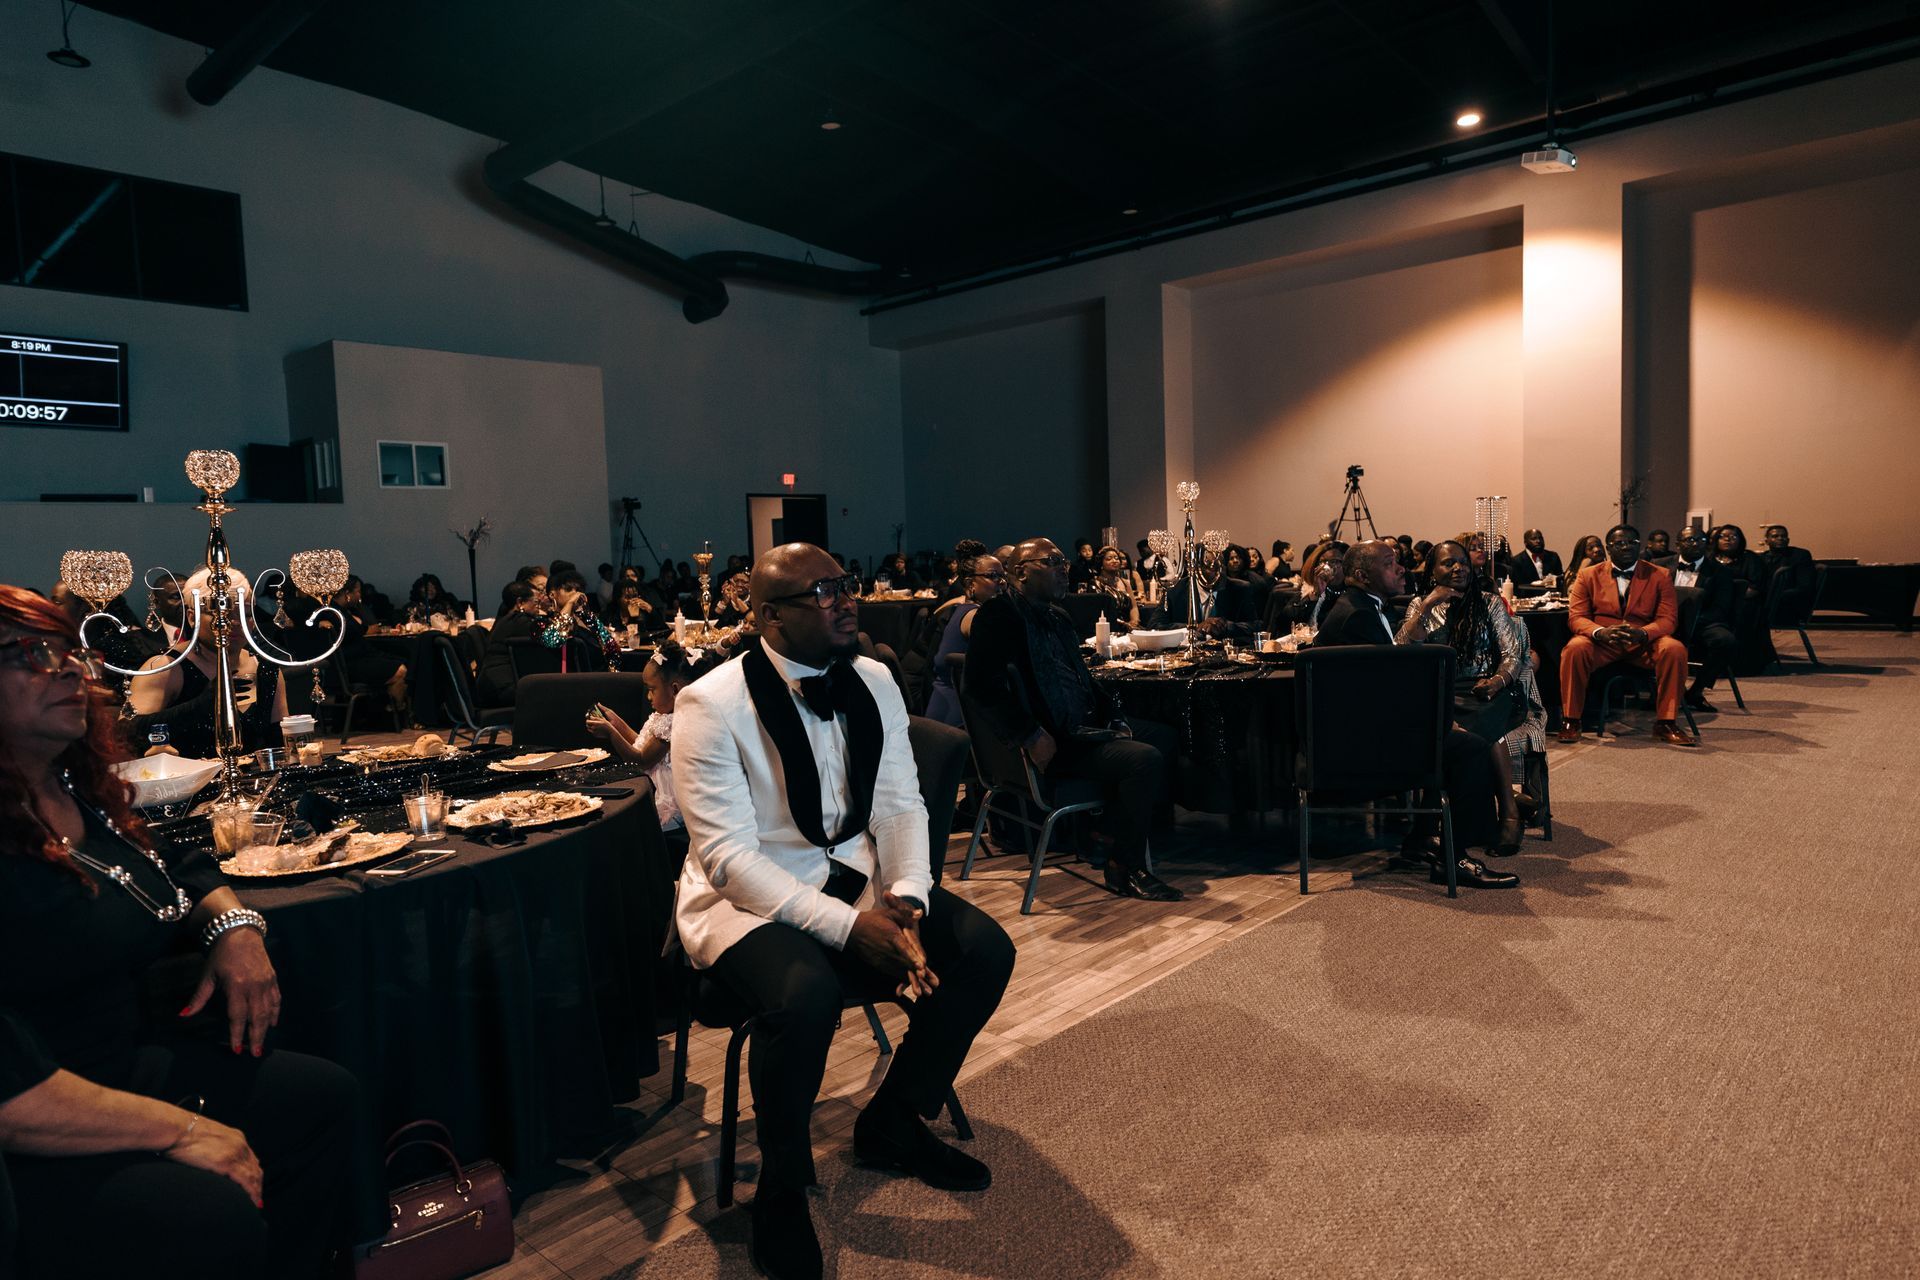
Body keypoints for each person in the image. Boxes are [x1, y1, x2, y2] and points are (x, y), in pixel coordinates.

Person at [671, 545, 1015, 1280]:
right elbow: (731, 861)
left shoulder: (875, 679)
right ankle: (782, 1188)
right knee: (807, 995)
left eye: (845, 587)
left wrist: (911, 896)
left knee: (986, 950)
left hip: (855, 877)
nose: (846, 602)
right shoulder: (709, 704)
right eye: (822, 593)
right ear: (768, 615)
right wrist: (848, 928)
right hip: (746, 902)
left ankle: (893, 1122)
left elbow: (897, 802)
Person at [0, 585, 357, 1279]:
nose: (72, 669)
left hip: (123, 1068)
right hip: (38, 1127)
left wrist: (235, 927)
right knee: (209, 1211)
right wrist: (189, 1131)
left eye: (71, 651)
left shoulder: (72, 791)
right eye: (33, 654)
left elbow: (176, 860)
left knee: (322, 1099)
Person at [965, 538, 1185, 903]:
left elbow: (1082, 679)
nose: (1063, 568)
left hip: (1078, 729)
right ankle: (1124, 866)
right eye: (1051, 561)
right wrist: (1030, 734)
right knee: (1142, 759)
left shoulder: (1058, 617)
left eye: (1064, 561)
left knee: (1163, 735)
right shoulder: (999, 615)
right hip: (1053, 742)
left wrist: (1113, 716)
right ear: (1020, 572)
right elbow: (978, 687)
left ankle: (1104, 833)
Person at [1313, 542, 1517, 889]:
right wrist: (1437, 721)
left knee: (1457, 739)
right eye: (1391, 564)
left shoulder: (1360, 606)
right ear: (1363, 576)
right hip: (1363, 748)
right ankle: (1456, 858)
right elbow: (1385, 693)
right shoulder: (1357, 616)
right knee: (1471, 749)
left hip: (1362, 732)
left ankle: (1425, 839)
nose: (1402, 568)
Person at [1397, 541, 1530, 855]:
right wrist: (1429, 605)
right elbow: (1402, 651)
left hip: (1489, 689)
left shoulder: (1490, 602)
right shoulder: (1420, 604)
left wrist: (1497, 681)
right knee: (1455, 741)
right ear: (1432, 571)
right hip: (1441, 690)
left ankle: (1432, 828)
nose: (1458, 568)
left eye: (1463, 563)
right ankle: (1502, 812)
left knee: (1470, 737)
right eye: (1448, 563)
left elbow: (1513, 654)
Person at [126, 568, 289, 759]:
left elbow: (280, 741)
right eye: (222, 613)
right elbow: (127, 733)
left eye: (245, 614)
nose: (235, 622)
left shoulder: (266, 668)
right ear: (192, 617)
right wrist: (200, 706)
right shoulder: (166, 667)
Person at [1558, 525, 1695, 747]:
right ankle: (1571, 720)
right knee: (1574, 648)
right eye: (1620, 543)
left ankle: (1666, 722)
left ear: (1640, 546)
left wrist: (1642, 633)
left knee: (1674, 648)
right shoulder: (1587, 575)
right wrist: (1600, 632)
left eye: (1632, 542)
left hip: (1644, 642)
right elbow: (1577, 617)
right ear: (1608, 547)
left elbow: (1668, 619)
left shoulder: (1660, 575)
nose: (1626, 547)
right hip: (1602, 642)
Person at [585, 640, 712, 864]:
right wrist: (618, 724)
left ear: (675, 690)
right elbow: (641, 744)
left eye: (652, 690)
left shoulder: (675, 723)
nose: (648, 697)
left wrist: (611, 734)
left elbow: (641, 760)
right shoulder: (664, 717)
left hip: (669, 799)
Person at [1659, 529, 1739, 711]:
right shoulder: (1659, 566)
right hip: (1663, 621)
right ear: (1677, 544)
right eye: (1690, 540)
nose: (1695, 544)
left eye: (1701, 540)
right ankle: (1657, 692)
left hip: (1701, 623)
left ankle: (1696, 690)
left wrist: (1690, 623)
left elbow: (1720, 608)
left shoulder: (1721, 572)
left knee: (1725, 641)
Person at [924, 545, 1004, 728]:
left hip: (942, 713)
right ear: (970, 584)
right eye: (993, 576)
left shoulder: (962, 609)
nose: (1002, 582)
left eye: (1003, 577)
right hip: (958, 723)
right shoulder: (976, 616)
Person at [1709, 524, 1775, 673]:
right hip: (1715, 603)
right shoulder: (1709, 559)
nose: (1728, 540)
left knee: (1743, 613)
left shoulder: (1749, 558)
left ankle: (1740, 666)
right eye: (1723, 536)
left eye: (1733, 537)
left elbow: (1755, 588)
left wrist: (1728, 600)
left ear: (1740, 540)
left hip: (1744, 603)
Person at [473, 580, 541, 706]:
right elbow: (554, 637)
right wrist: (568, 607)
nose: (539, 607)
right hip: (501, 689)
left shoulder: (507, 619)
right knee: (548, 691)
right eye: (536, 602)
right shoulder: (519, 621)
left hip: (491, 686)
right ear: (520, 602)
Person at [539, 571, 618, 668]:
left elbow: (612, 647)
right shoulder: (544, 621)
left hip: (600, 676)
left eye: (578, 589)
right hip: (570, 679)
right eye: (568, 589)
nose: (575, 593)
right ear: (552, 594)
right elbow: (553, 641)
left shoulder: (586, 618)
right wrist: (570, 603)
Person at [1277, 540, 1348, 629]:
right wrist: (1315, 595)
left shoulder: (1352, 593)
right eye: (1322, 562)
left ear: (1347, 565)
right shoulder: (1311, 590)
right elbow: (1283, 623)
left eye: (1334, 561)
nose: (1326, 567)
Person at [1760, 524, 1816, 628]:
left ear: (1788, 540)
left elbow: (1804, 586)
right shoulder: (1761, 558)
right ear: (1766, 541)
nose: (1780, 538)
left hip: (1788, 604)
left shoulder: (1799, 555)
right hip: (1767, 601)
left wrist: (1773, 596)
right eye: (1775, 536)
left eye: (1783, 536)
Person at [1090, 545, 1140, 628]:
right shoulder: (1096, 583)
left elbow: (1133, 607)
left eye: (1116, 558)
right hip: (1109, 627)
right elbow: (1100, 612)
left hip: (1130, 626)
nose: (1114, 561)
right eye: (1109, 559)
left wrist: (1134, 622)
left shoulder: (1125, 583)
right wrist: (1124, 624)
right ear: (1101, 564)